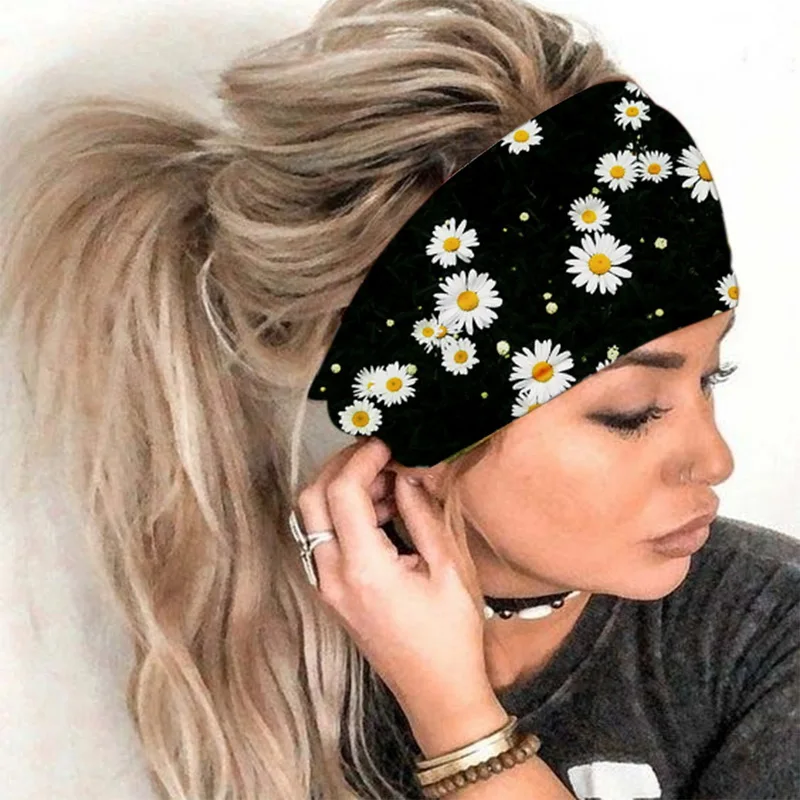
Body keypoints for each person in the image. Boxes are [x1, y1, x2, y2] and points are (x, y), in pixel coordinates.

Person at [0, 0, 797, 798]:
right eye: (632, 411)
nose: (716, 457)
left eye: (710, 378)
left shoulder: (767, 637)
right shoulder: (274, 659)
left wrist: (458, 720)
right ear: (424, 428)